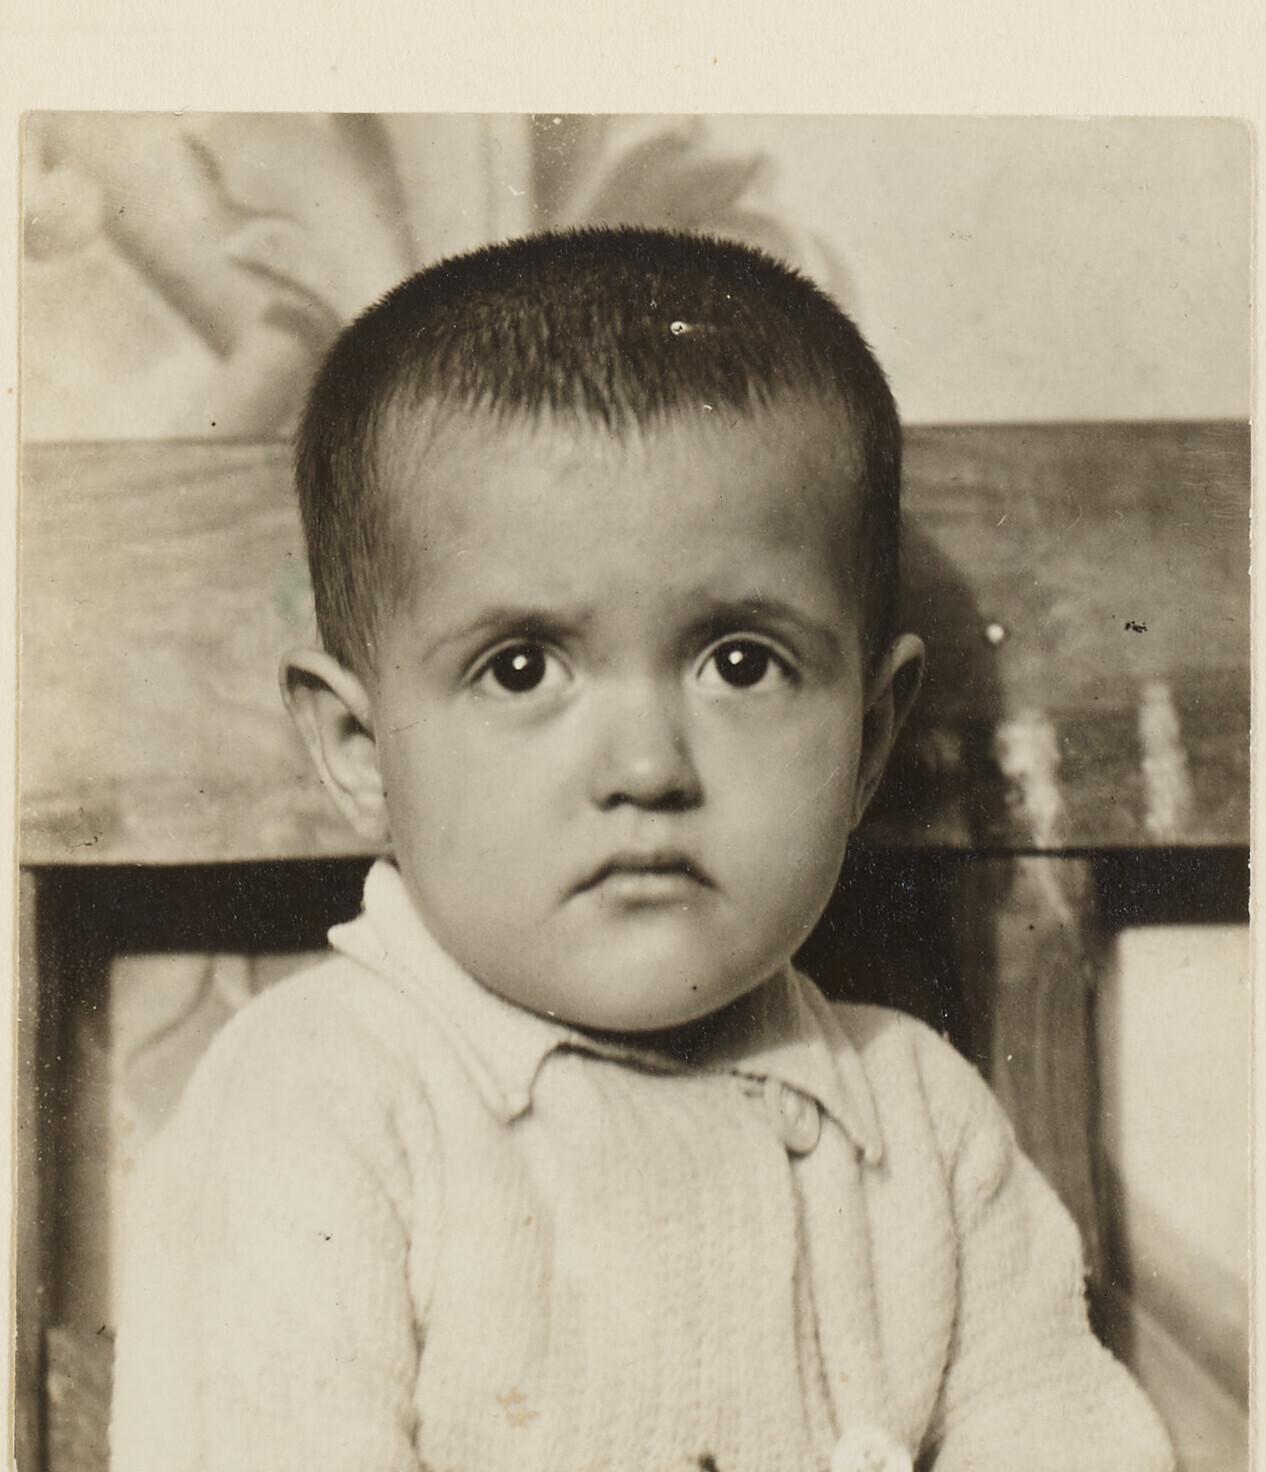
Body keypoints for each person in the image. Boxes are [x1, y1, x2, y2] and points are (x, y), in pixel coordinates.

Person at [110, 228, 1170, 1471]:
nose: (648, 766)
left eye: (741, 661)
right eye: (521, 667)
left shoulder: (920, 1120)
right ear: (357, 744)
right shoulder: (318, 1097)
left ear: (870, 736)